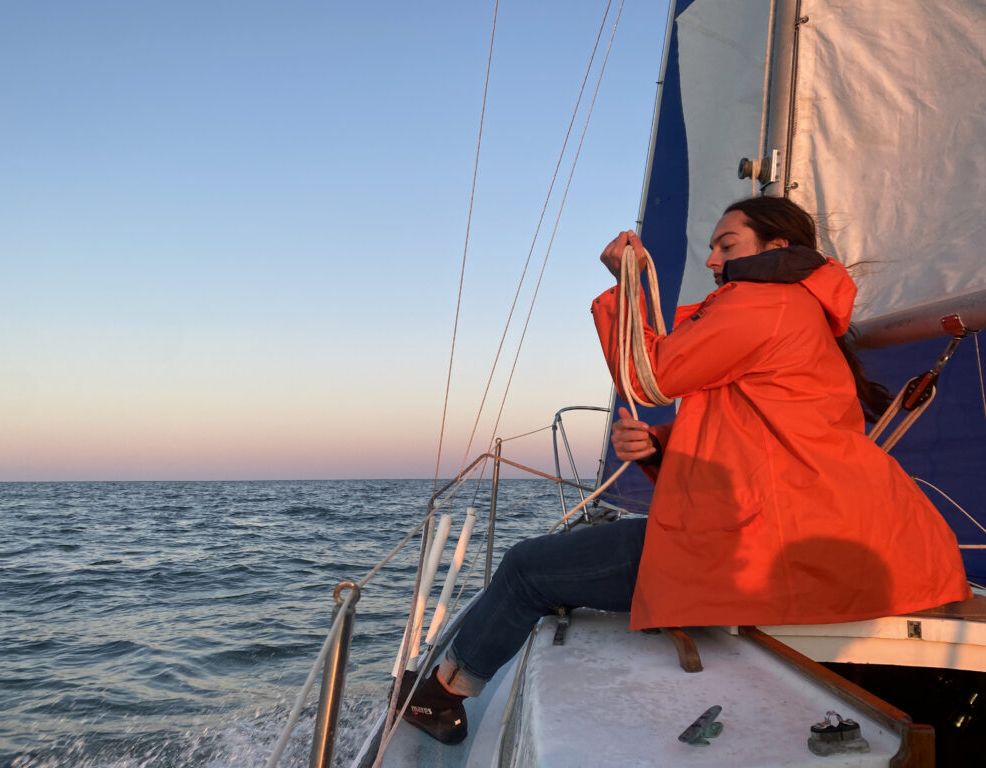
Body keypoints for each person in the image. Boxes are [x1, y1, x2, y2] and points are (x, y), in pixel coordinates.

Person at [401, 196, 971, 745]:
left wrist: (625, 284)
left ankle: (439, 696)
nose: (711, 259)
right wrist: (656, 449)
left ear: (777, 245)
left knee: (527, 567)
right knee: (560, 565)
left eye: (725, 245)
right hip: (849, 537)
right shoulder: (801, 310)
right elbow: (762, 432)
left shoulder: (764, 302)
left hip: (768, 544)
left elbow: (650, 377)